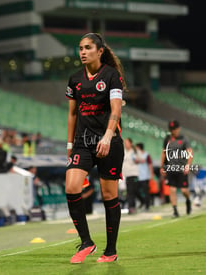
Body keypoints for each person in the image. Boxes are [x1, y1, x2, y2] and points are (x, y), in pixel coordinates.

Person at [65, 32, 125, 263]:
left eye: (88, 47)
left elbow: (116, 110)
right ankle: (87, 242)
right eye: (80, 48)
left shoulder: (111, 76)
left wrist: (108, 136)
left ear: (100, 51)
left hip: (109, 143)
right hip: (82, 143)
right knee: (71, 187)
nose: (82, 52)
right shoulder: (74, 79)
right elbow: (71, 114)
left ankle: (110, 250)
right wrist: (70, 145)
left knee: (109, 196)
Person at [160, 120, 193, 218]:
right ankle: (175, 210)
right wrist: (162, 166)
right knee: (172, 189)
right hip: (171, 168)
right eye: (171, 129)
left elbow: (189, 153)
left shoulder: (184, 139)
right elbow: (163, 153)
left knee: (184, 191)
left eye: (174, 129)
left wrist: (188, 165)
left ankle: (188, 200)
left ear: (178, 128)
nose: (173, 131)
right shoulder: (167, 139)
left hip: (181, 168)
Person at [135, 143, 154, 211]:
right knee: (135, 190)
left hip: (145, 176)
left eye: (136, 148)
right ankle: (142, 201)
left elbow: (150, 164)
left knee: (146, 192)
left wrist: (151, 174)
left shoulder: (146, 154)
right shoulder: (135, 155)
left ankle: (147, 206)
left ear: (139, 148)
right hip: (137, 176)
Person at [122, 138, 139, 214]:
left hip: (133, 174)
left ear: (131, 143)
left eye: (127, 142)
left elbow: (137, 161)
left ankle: (131, 207)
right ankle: (132, 206)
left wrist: (135, 158)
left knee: (131, 192)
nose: (125, 144)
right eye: (125, 143)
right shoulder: (124, 152)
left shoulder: (134, 151)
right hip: (126, 175)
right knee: (129, 192)